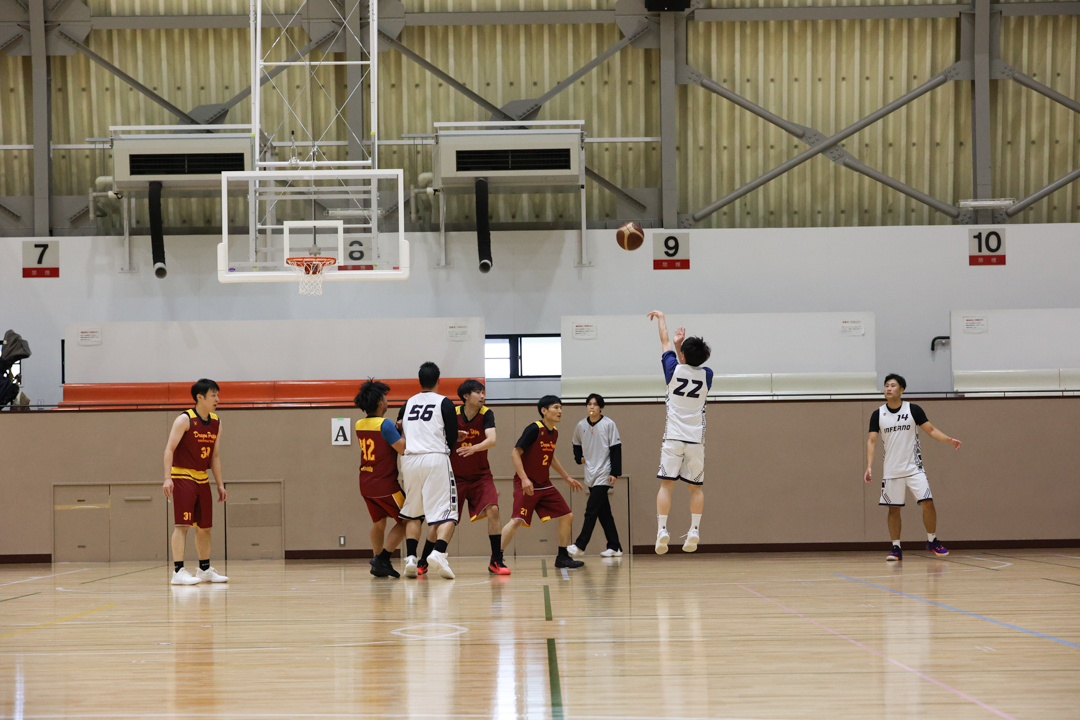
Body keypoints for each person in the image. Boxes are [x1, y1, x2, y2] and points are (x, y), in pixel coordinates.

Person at [865, 373, 959, 561]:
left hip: (914, 467)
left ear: (902, 390)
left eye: (892, 385)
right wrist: (869, 466)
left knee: (928, 502)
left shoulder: (913, 410)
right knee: (894, 509)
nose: (888, 388)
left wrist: (948, 439)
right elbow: (872, 441)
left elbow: (931, 430)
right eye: (886, 385)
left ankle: (932, 540)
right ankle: (896, 548)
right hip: (892, 470)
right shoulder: (878, 414)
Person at [648, 311, 713, 554]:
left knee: (667, 486)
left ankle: (662, 530)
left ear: (682, 356)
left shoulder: (672, 371)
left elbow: (664, 341)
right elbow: (689, 366)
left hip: (673, 437)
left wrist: (662, 319)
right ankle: (694, 529)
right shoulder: (708, 375)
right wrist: (680, 348)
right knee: (695, 488)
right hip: (695, 440)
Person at [500, 395, 585, 569]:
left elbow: (550, 457)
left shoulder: (554, 432)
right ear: (544, 411)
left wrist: (566, 477)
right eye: (556, 407)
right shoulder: (534, 429)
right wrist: (524, 478)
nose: (560, 411)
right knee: (516, 521)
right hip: (527, 483)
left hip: (544, 484)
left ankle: (562, 557)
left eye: (561, 407)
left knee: (567, 516)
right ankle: (496, 557)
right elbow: (515, 452)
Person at [162, 379, 229, 585]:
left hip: (202, 478)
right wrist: (167, 478)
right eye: (213, 395)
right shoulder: (185, 419)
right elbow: (169, 449)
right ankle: (178, 572)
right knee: (183, 525)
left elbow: (214, 457)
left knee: (205, 527)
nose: (217, 399)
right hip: (182, 476)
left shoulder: (216, 422)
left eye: (217, 395)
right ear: (200, 397)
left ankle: (204, 569)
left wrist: (220, 484)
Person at [399, 362, 460, 580]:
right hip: (435, 458)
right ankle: (439, 552)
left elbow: (400, 426)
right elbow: (452, 436)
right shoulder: (444, 402)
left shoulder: (408, 403)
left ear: (419, 381)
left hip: (410, 460)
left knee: (414, 513)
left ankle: (411, 558)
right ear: (438, 380)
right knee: (448, 513)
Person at [450, 379, 510, 575]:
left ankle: (496, 560)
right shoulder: (452, 414)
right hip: (455, 477)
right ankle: (424, 560)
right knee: (446, 520)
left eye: (483, 392)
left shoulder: (486, 413)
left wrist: (474, 448)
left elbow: (492, 440)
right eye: (478, 392)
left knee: (494, 510)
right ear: (466, 396)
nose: (483, 395)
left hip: (480, 476)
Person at [354, 380, 408, 578]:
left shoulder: (359, 424)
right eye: (385, 398)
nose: (387, 401)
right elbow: (402, 449)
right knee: (409, 519)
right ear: (380, 403)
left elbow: (381, 442)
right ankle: (383, 558)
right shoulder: (385, 424)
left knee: (379, 523)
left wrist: (394, 430)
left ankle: (377, 561)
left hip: (366, 483)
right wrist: (403, 430)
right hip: (385, 485)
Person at [566, 393, 623, 558]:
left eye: (595, 404)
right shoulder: (581, 425)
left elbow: (616, 448)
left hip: (604, 472)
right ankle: (615, 546)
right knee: (604, 513)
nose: (591, 407)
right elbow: (576, 443)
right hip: (590, 473)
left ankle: (580, 545)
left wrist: (615, 472)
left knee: (591, 510)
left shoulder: (609, 424)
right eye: (589, 404)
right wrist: (579, 458)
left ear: (601, 407)